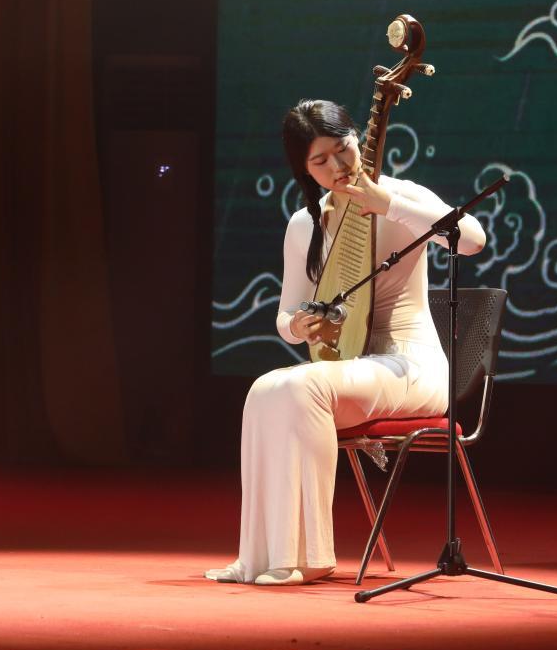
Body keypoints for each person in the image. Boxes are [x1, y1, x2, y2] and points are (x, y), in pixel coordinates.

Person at [206, 99, 486, 586]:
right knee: (263, 390)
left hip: (413, 367)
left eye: (343, 149)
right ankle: (258, 556)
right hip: (355, 367)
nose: (337, 166)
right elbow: (286, 314)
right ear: (304, 170)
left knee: (303, 388)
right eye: (320, 161)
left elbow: (472, 239)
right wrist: (300, 327)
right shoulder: (304, 225)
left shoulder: (400, 195)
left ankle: (313, 556)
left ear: (360, 139)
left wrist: (389, 205)